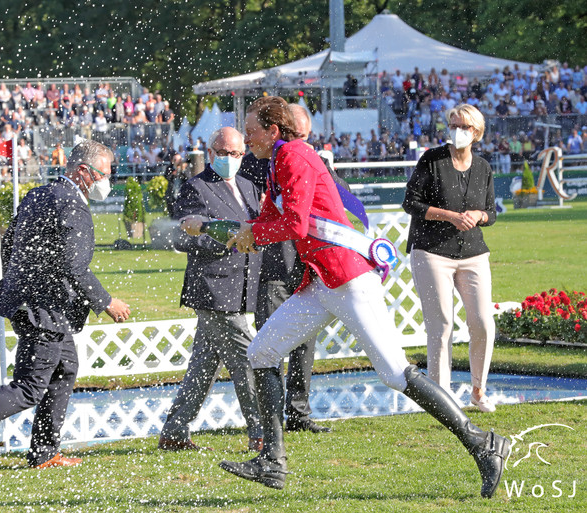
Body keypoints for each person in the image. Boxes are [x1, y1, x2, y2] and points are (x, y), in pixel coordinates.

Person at [219, 96, 509, 497]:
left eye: (250, 131)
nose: (246, 138)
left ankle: (483, 444)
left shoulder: (293, 157)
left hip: (346, 280)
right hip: (322, 282)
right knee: (262, 354)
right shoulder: (278, 161)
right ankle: (273, 462)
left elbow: (296, 222)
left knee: (395, 374)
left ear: (272, 131)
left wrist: (258, 233)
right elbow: (270, 218)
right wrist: (237, 231)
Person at [0, 140, 131, 483]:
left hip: (30, 300)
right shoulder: (72, 205)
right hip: (45, 308)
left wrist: (19, 284)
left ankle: (44, 452)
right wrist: (106, 302)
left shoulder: (39, 194)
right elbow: (73, 266)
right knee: (30, 387)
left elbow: (8, 243)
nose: (107, 182)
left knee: (65, 368)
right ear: (83, 171)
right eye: (105, 175)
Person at [238, 103, 349, 434]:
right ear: (280, 131)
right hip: (276, 265)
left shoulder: (307, 158)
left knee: (305, 345)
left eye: (301, 136)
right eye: (292, 135)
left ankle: (299, 413)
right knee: (268, 344)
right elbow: (249, 200)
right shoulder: (259, 159)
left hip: (312, 267)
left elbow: (338, 202)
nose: (295, 141)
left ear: (307, 135)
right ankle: (267, 424)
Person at [158, 127, 263, 452]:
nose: (228, 158)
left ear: (242, 153)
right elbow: (186, 235)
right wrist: (230, 242)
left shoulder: (248, 185)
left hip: (242, 286)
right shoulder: (196, 187)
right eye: (222, 152)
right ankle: (262, 433)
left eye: (234, 153)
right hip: (213, 290)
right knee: (249, 359)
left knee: (204, 365)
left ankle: (174, 432)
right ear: (211, 151)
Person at [402, 104, 498, 414]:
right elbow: (411, 202)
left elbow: (492, 212)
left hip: (473, 254)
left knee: (483, 323)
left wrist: (478, 215)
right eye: (453, 125)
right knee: (441, 325)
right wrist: (451, 217)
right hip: (430, 251)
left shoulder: (483, 167)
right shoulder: (432, 160)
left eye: (464, 127)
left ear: (476, 133)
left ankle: (478, 391)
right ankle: (441, 400)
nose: (457, 131)